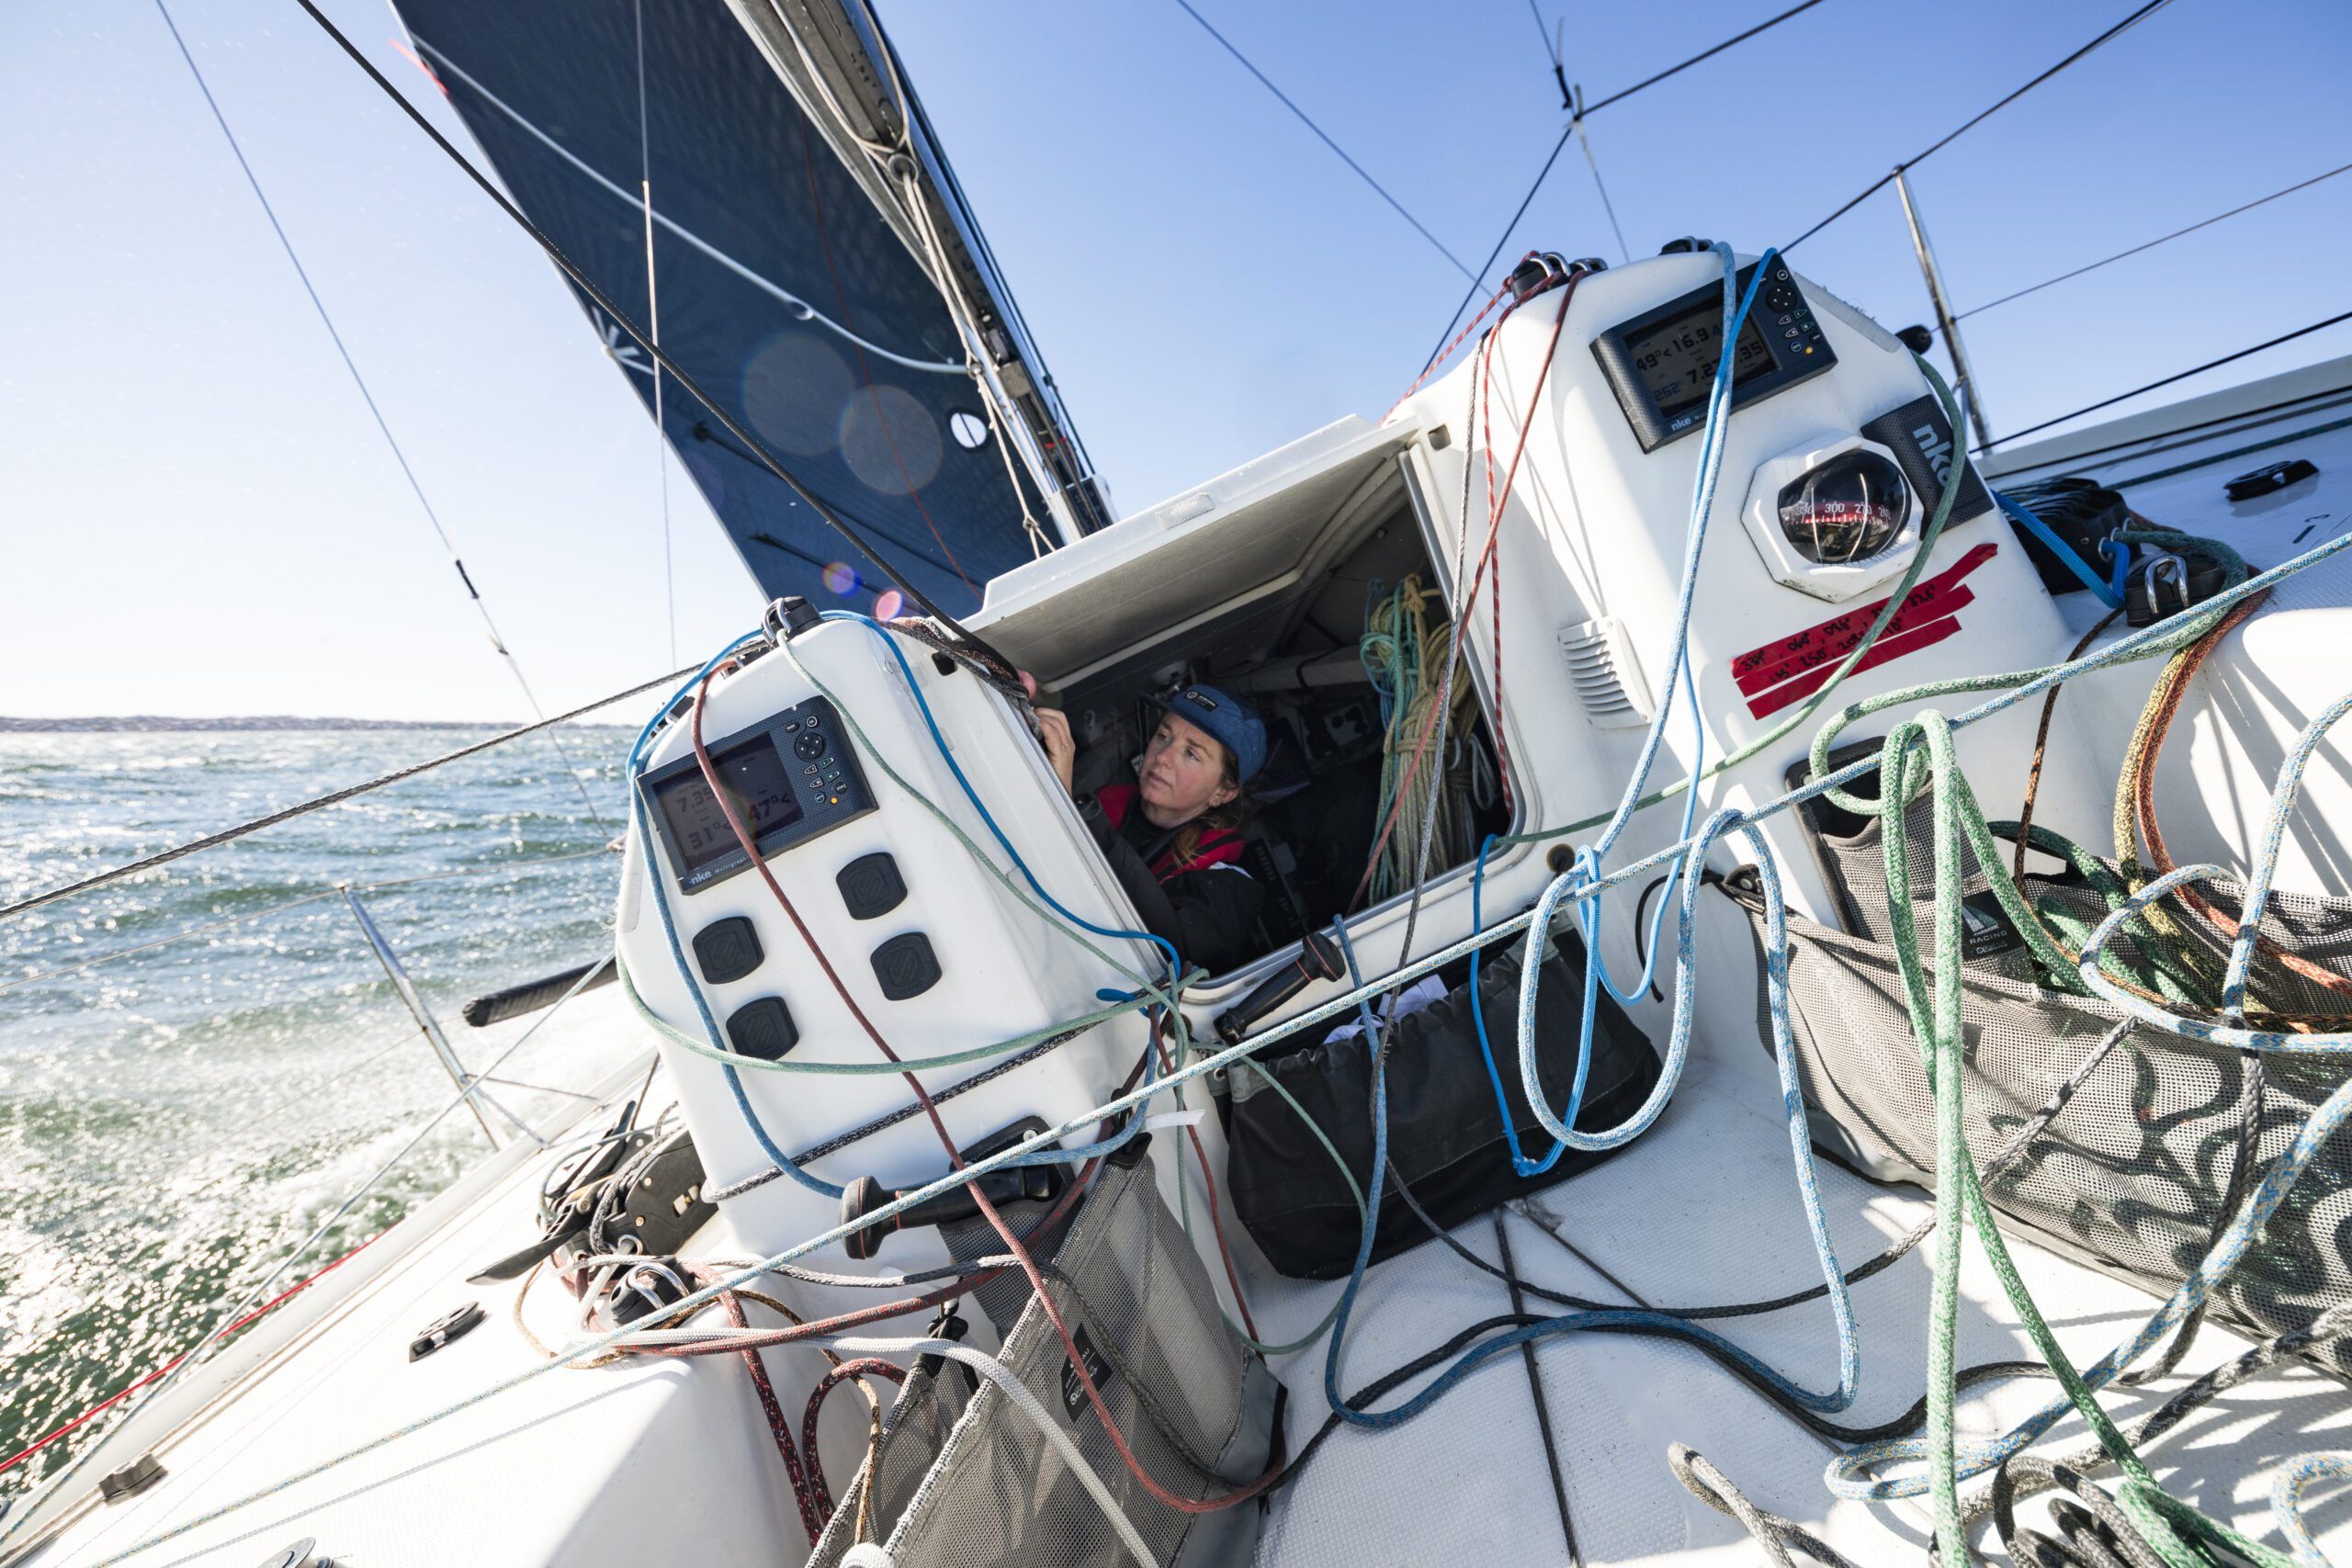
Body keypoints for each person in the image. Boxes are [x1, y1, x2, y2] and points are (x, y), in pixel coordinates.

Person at [1035, 683, 1268, 976]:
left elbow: (1174, 954)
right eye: (1163, 736)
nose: (1163, 757)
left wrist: (1070, 805)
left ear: (1225, 791)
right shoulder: (1106, 797)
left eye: (1191, 754)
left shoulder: (1227, 883)